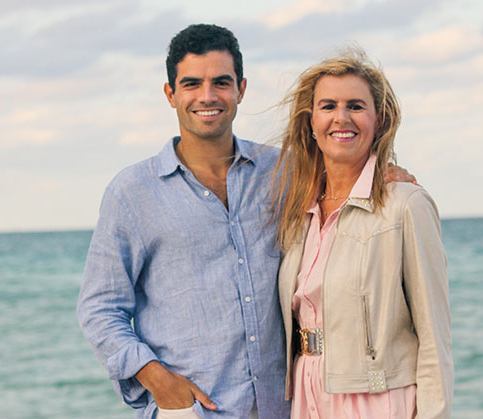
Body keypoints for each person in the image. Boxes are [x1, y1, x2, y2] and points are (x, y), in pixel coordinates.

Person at [77, 24, 415, 419]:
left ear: (241, 89)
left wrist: (384, 175)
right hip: (192, 412)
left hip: (285, 409)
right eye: (191, 84)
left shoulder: (285, 172)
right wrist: (158, 381)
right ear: (170, 94)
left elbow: (343, 184)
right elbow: (100, 308)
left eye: (221, 82)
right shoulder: (132, 192)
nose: (207, 96)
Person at [272, 48, 453, 418]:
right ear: (310, 121)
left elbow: (435, 338)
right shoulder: (296, 211)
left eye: (355, 106)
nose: (341, 117)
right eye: (328, 106)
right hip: (307, 395)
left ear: (379, 120)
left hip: (377, 399)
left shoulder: (405, 204)